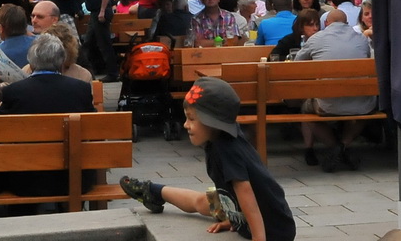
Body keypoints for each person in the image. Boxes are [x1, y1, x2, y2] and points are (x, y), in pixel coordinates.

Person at [118, 76, 296, 241]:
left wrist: (255, 236)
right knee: (203, 202)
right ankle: (152, 192)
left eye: (191, 118)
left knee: (201, 202)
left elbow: (248, 197)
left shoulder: (228, 149)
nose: (185, 125)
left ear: (212, 121)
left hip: (274, 232)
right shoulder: (219, 140)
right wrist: (234, 219)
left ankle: (153, 191)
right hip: (245, 212)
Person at [0, 33, 95, 200]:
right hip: (73, 180)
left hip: (25, 181)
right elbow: (94, 128)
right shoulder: (81, 89)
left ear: (31, 61)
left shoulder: (14, 91)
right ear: (62, 60)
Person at [292, 9, 374, 171]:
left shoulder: (316, 39)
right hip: (362, 102)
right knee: (366, 110)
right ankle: (345, 144)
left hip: (327, 104)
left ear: (327, 23)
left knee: (306, 112)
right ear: (346, 23)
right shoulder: (361, 39)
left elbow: (297, 65)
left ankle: (335, 146)